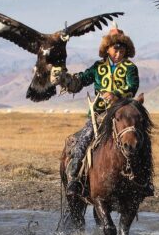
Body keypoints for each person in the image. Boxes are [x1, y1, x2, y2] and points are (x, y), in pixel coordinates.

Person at [52, 25, 150, 199]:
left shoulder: (130, 68)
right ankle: (74, 178)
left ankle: (146, 181)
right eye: (115, 49)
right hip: (99, 115)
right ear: (107, 49)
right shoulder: (98, 67)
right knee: (83, 140)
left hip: (122, 115)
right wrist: (65, 79)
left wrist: (117, 95)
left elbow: (132, 87)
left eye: (122, 49)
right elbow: (79, 82)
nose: (118, 52)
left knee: (143, 140)